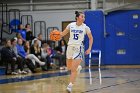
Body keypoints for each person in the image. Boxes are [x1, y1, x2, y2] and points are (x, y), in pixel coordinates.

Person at [60, 11, 93, 92]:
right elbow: (62, 34)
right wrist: (56, 35)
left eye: (84, 17)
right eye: (82, 16)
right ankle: (78, 67)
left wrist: (89, 48)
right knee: (69, 67)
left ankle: (70, 86)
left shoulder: (86, 27)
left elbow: (91, 38)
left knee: (73, 69)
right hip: (70, 47)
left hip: (79, 48)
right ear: (77, 18)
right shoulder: (71, 25)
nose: (84, 18)